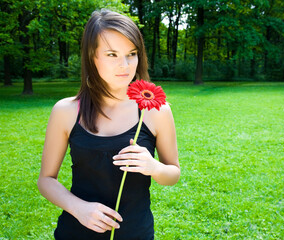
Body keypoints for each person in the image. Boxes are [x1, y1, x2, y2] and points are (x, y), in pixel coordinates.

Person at [37, 9, 180, 240]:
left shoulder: (156, 110)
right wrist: (79, 208)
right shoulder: (66, 111)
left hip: (135, 233)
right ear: (92, 56)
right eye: (112, 54)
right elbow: (46, 180)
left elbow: (173, 173)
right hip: (75, 233)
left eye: (131, 54)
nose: (124, 65)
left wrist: (153, 167)